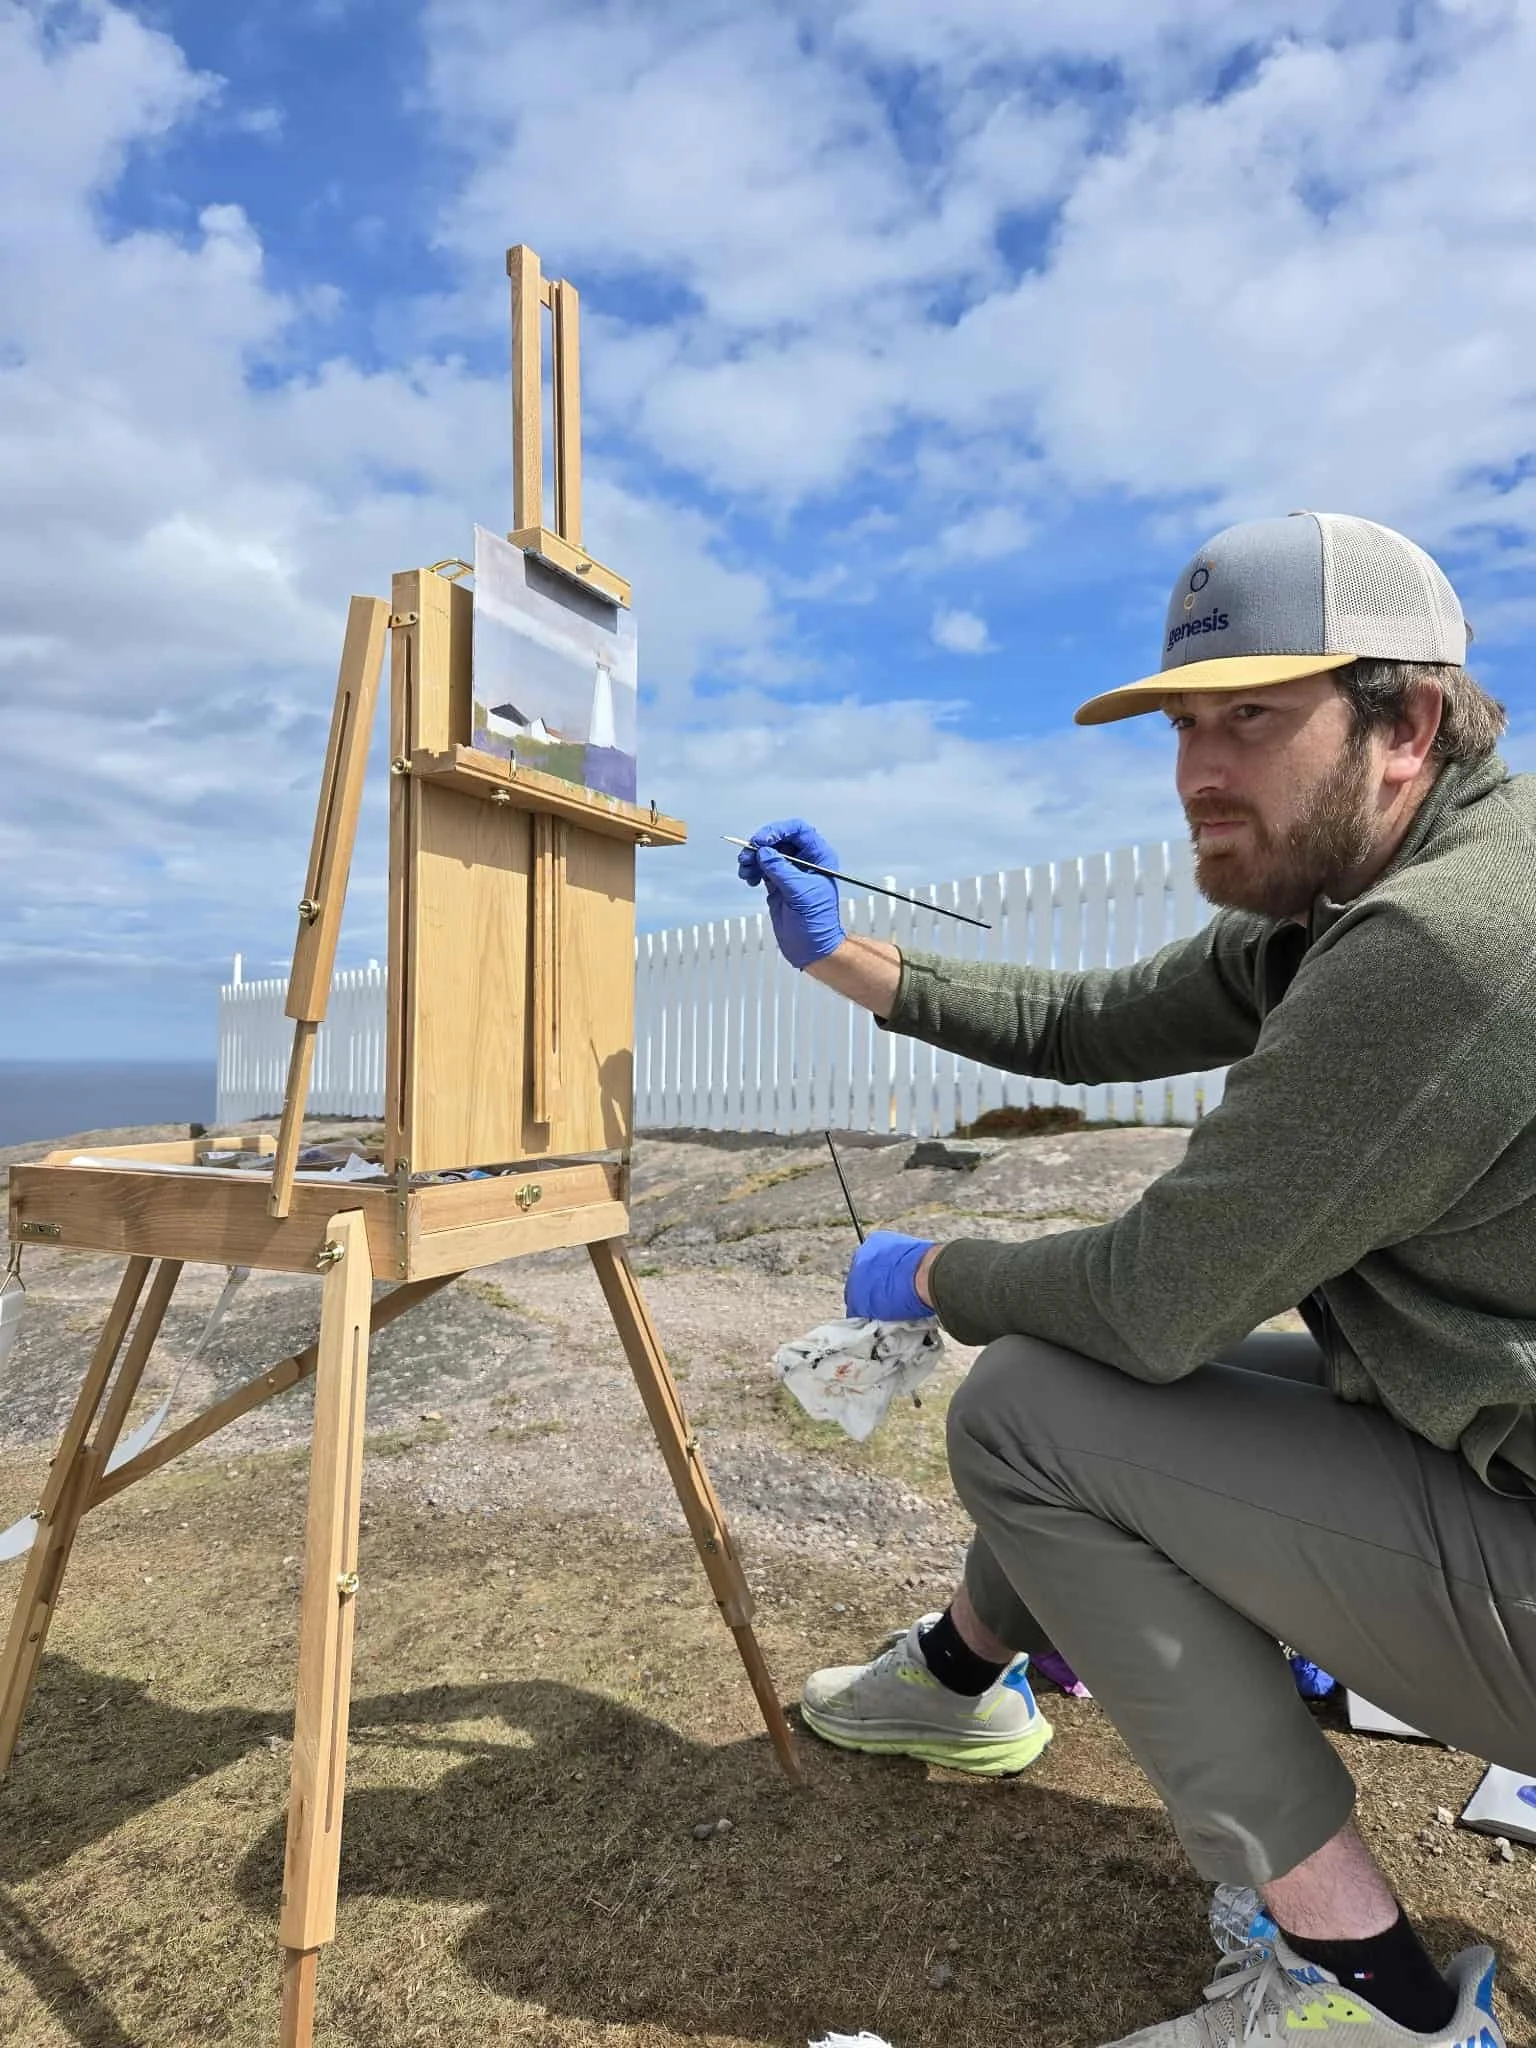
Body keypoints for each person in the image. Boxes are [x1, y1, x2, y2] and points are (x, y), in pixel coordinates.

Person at [738, 510, 1536, 2048]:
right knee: (1100, 1393)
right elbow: (1100, 1019)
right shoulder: (1388, 890)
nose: (1196, 773)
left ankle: (1359, 1998)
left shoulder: (1438, 950)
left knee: (1034, 1404)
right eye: (1182, 724)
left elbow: (1151, 1297)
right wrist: (845, 959)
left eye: (1251, 719)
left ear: (1407, 723)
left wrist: (931, 1271)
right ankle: (966, 1674)